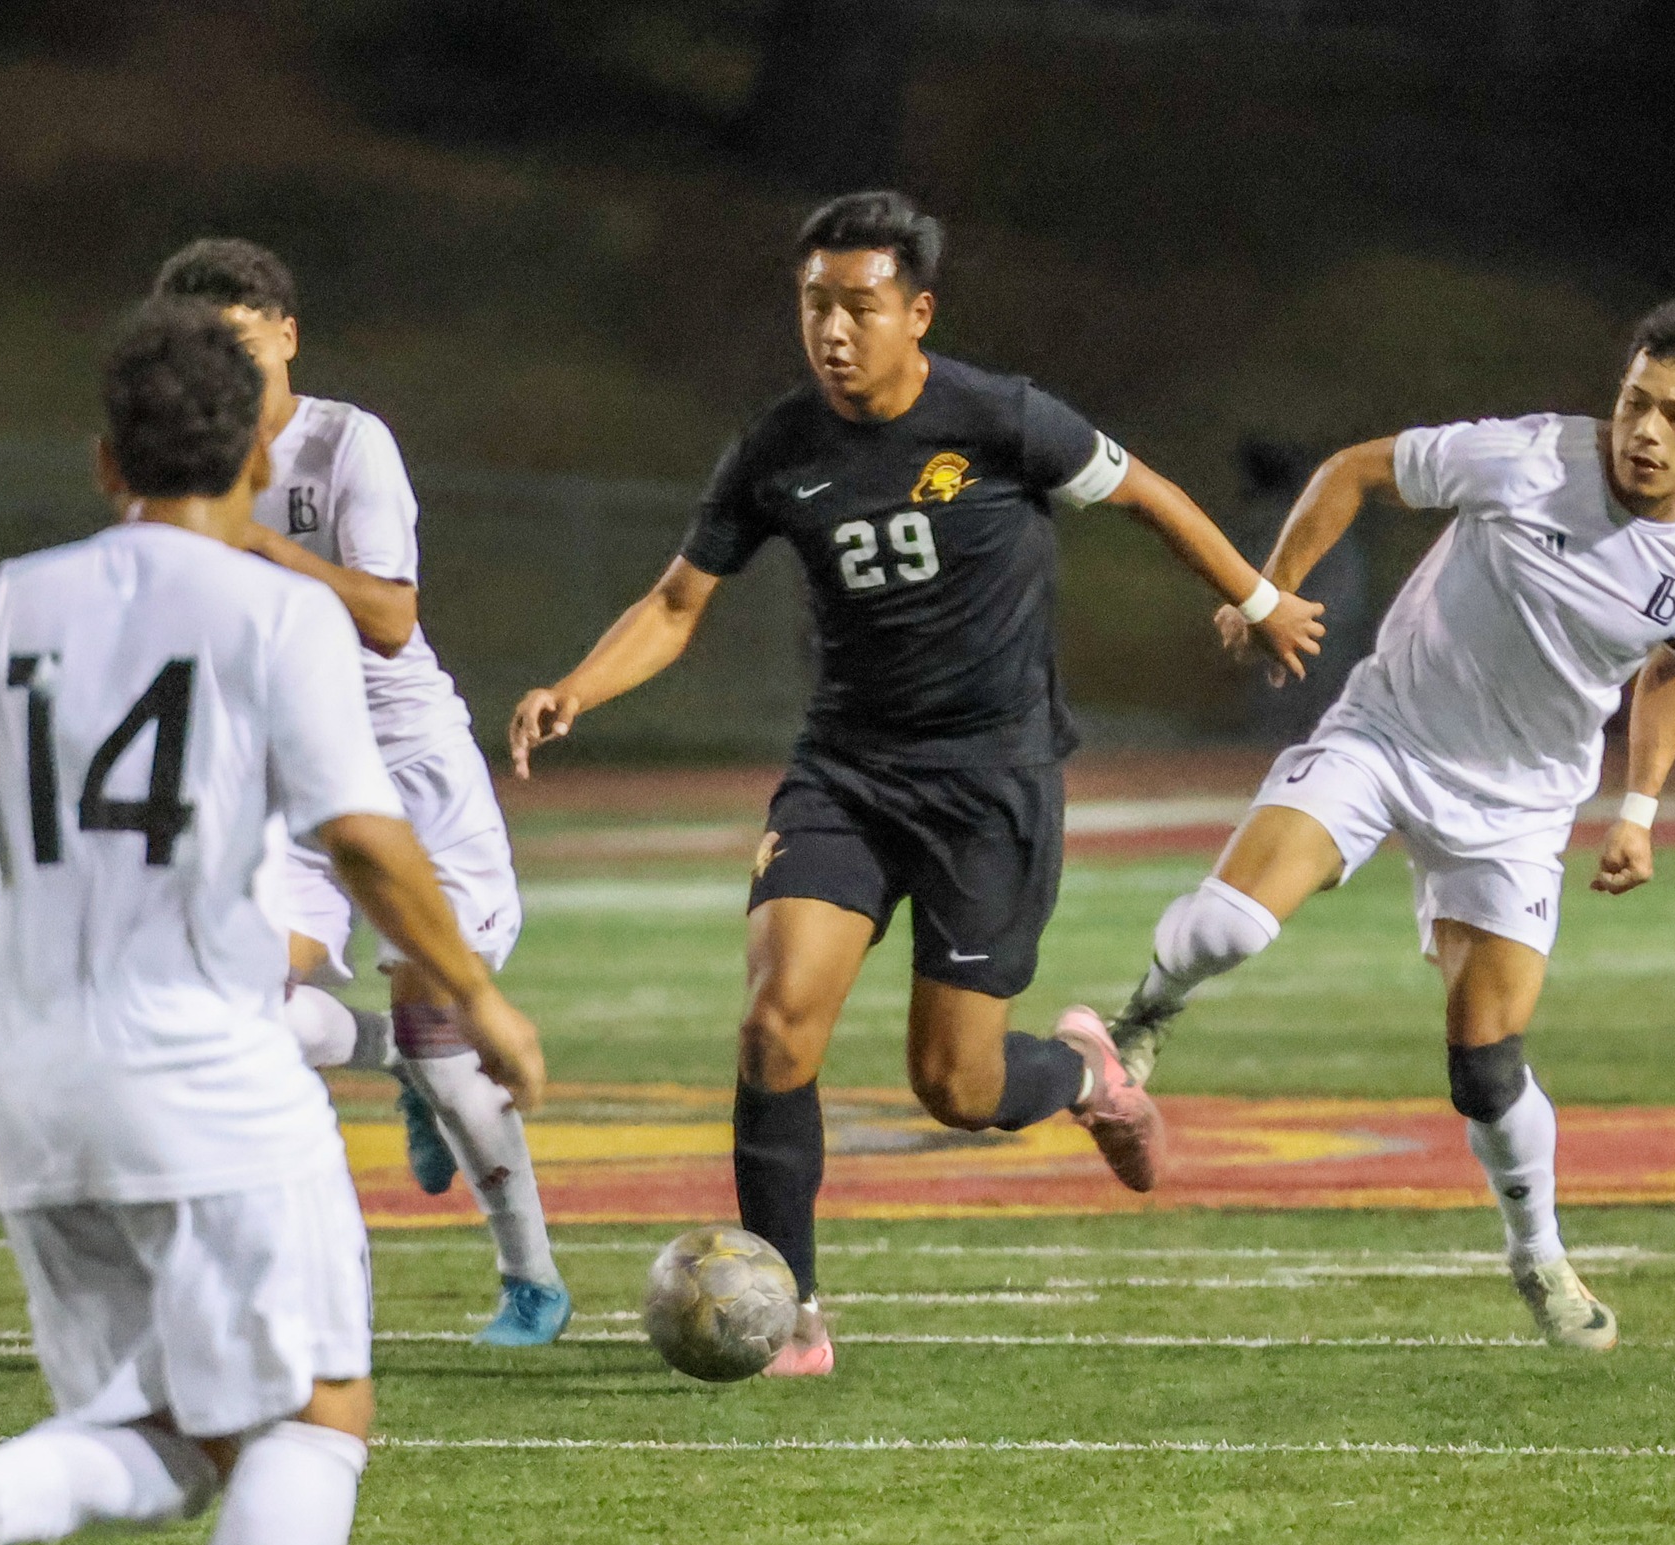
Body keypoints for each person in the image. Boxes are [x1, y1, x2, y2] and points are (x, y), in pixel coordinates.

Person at [509, 190, 1324, 1375]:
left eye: (859, 306)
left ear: (916, 311)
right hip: (844, 774)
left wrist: (1255, 601)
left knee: (956, 1083)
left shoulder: (1001, 420)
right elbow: (680, 600)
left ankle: (1088, 1072)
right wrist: (578, 686)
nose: (833, 330)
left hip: (991, 785)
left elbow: (1143, 493)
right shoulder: (778, 449)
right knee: (775, 1023)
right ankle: (790, 1313)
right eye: (813, 306)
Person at [0, 301, 543, 1545]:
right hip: (208, 1070)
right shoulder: (275, 614)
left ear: (107, 462)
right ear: (259, 464)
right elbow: (366, 838)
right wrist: (478, 1000)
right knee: (315, 1419)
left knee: (165, 1442)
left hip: (41, 1089)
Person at [1105, 302, 1675, 1350]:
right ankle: (1145, 1010)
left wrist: (1636, 807)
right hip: (1385, 735)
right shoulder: (1525, 457)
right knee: (1228, 928)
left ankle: (1536, 1254)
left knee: (1486, 1069)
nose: (1642, 430)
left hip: (1519, 807)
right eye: (1634, 401)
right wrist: (1271, 592)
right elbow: (1355, 469)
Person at [152, 239, 570, 1339]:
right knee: (233, 1011)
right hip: (279, 773)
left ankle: (531, 1278)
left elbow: (389, 619)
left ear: (286, 336)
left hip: (402, 764)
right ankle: (392, 1059)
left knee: (443, 1022)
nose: (225, 370)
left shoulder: (347, 444)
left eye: (241, 342)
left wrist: (248, 543)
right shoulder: (181, 468)